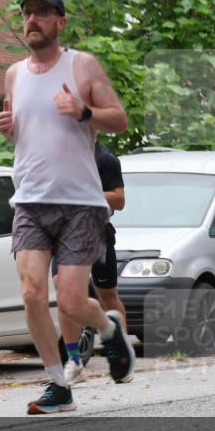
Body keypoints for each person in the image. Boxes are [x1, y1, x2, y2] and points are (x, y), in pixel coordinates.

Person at [0, 0, 135, 414]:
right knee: (32, 293)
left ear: (61, 21)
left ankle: (109, 330)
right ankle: (59, 385)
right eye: (26, 14)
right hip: (30, 200)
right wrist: (9, 128)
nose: (31, 20)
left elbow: (121, 119)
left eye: (41, 13)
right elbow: (28, 134)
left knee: (71, 301)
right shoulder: (14, 75)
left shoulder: (82, 65)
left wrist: (84, 112)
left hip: (79, 203)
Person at [56, 138, 128, 385]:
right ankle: (74, 360)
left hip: (97, 231)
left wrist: (89, 194)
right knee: (63, 291)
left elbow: (120, 200)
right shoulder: (60, 154)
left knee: (108, 295)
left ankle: (121, 355)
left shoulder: (105, 159)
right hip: (65, 233)